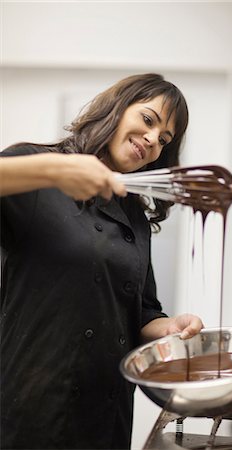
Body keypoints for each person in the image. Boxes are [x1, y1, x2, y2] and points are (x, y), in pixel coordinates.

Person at [0, 73, 204, 450]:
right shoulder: (33, 167)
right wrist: (54, 169)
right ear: (116, 108)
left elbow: (142, 310)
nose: (152, 140)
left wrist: (168, 326)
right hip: (31, 407)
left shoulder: (136, 218)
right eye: (148, 120)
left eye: (164, 140)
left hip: (105, 417)